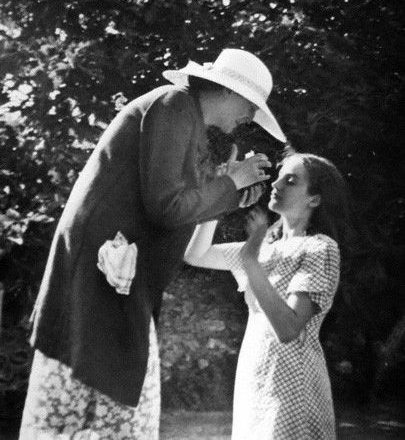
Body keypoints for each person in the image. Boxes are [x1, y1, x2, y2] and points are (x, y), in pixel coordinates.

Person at [19, 48, 286, 439]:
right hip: (101, 272)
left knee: (109, 398)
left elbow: (177, 201)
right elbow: (166, 207)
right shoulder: (174, 103)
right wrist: (231, 183)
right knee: (110, 399)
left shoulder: (183, 117)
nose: (249, 118)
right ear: (228, 91)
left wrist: (226, 186)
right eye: (250, 106)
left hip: (117, 278)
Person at [184, 151, 352, 440]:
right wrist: (223, 197)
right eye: (278, 177)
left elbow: (289, 329)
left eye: (290, 181)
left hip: (293, 387)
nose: (276, 185)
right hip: (256, 379)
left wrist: (251, 262)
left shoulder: (319, 249)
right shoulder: (264, 248)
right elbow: (195, 254)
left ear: (314, 199)